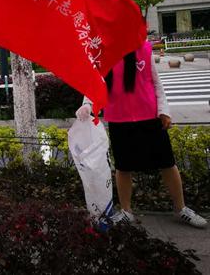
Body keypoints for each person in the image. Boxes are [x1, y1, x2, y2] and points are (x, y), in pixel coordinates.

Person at [76, 40, 207, 228]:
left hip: (149, 116)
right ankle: (126, 211)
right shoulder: (101, 52)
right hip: (119, 118)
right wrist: (87, 105)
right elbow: (95, 81)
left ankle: (181, 208)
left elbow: (156, 82)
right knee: (123, 167)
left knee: (167, 163)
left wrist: (164, 110)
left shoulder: (142, 47)